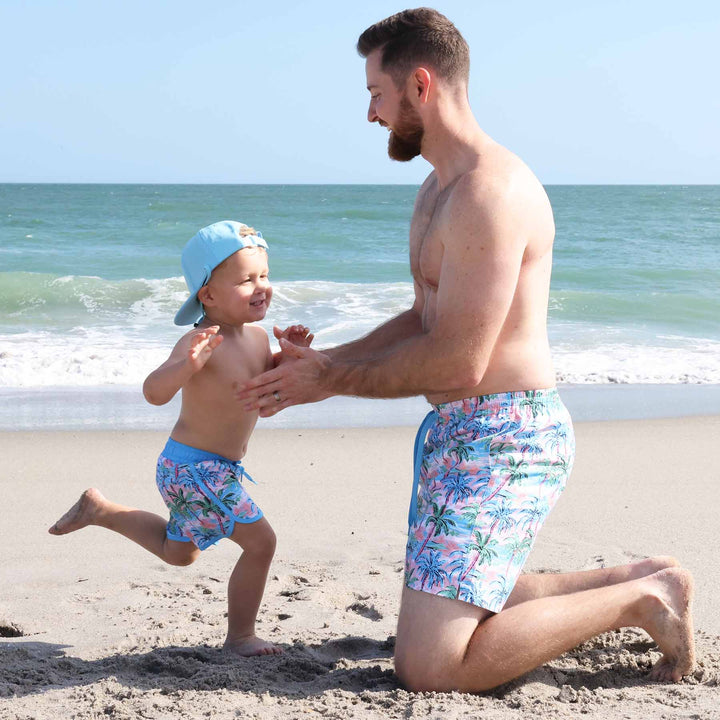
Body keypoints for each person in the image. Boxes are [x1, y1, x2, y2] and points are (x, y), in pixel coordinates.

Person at [236, 8, 695, 689]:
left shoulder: (489, 193)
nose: (370, 114)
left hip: (508, 433)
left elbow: (458, 360)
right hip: (457, 430)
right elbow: (426, 317)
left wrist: (332, 378)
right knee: (460, 605)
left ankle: (639, 603)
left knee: (429, 664)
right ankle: (644, 577)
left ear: (420, 85)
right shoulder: (435, 191)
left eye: (377, 94)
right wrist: (323, 364)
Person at [49, 220, 313, 657]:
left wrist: (293, 355)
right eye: (247, 280)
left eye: (265, 275)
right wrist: (186, 366)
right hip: (196, 468)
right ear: (207, 295)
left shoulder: (258, 336)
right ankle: (241, 637)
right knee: (262, 543)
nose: (262, 286)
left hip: (206, 468)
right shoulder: (199, 341)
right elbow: (154, 393)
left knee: (179, 552)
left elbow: (264, 386)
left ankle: (101, 510)